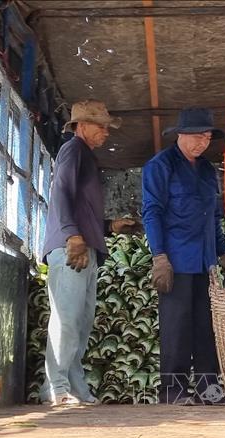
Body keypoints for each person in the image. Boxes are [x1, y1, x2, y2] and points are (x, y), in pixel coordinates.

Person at [41, 100, 140, 406]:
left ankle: (74, 387)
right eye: (101, 127)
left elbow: (81, 208)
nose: (106, 133)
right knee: (67, 319)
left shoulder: (86, 157)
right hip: (71, 248)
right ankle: (54, 387)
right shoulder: (73, 150)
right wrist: (72, 235)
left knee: (81, 323)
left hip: (85, 248)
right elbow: (60, 193)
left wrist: (109, 226)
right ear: (81, 126)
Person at [142, 107, 225, 405]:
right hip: (177, 260)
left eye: (207, 137)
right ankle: (173, 391)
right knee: (177, 327)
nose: (202, 143)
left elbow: (213, 217)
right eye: (197, 136)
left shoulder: (208, 170)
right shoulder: (160, 166)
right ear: (180, 135)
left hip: (205, 262)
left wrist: (223, 253)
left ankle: (210, 389)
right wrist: (160, 257)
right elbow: (152, 212)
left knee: (207, 327)